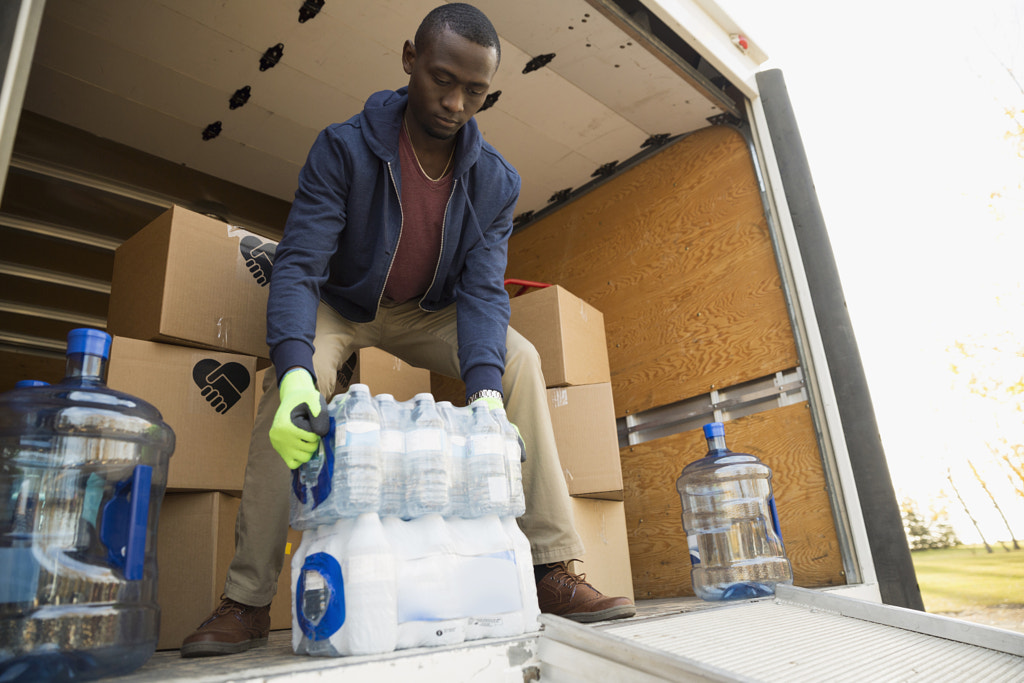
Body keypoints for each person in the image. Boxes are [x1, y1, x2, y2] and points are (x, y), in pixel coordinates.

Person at [181, 3, 634, 658]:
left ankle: (551, 569)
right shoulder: (343, 147)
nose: (454, 102)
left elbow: (482, 290)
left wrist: (482, 392)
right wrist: (300, 369)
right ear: (409, 59)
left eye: (474, 92)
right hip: (343, 303)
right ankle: (247, 599)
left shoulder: (494, 181)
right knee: (288, 389)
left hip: (427, 310)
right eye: (442, 80)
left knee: (519, 361)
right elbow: (300, 265)